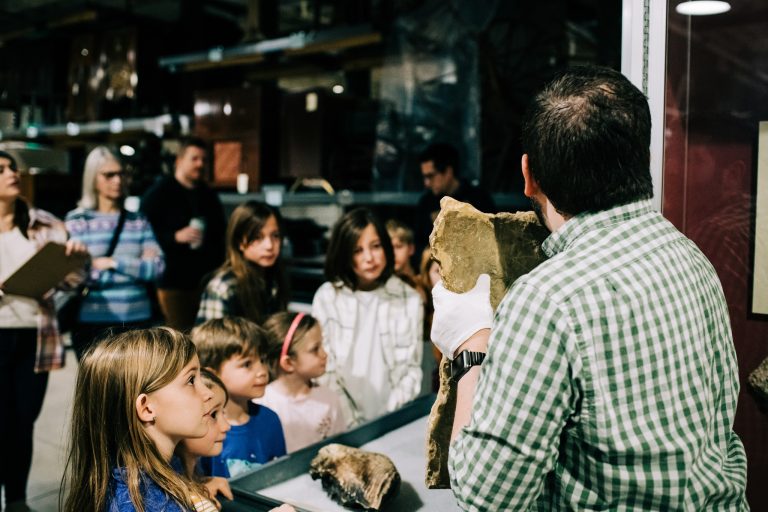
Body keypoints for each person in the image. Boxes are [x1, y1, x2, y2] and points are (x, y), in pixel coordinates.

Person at [430, 66, 748, 510]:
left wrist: (472, 345)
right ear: (642, 156)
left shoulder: (548, 299)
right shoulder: (692, 257)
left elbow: (488, 497)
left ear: (529, 176)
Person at [0, 150, 88, 511]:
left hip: (35, 336)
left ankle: (17, 500)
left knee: (23, 421)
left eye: (12, 167)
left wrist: (75, 258)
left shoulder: (44, 223)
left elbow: (72, 281)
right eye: (1, 169)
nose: (11, 173)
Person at [60, 327, 215, 512]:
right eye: (191, 380)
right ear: (146, 408)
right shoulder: (143, 505)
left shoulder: (157, 469)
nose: (209, 393)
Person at [312, 208, 423, 427]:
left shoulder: (408, 297)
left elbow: (411, 368)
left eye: (376, 246)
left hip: (392, 417)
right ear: (344, 254)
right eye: (357, 250)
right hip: (340, 419)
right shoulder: (328, 297)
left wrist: (385, 418)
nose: (369, 258)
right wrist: (352, 422)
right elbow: (325, 371)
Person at [65, 146, 165, 359]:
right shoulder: (78, 221)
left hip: (138, 319)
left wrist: (112, 263)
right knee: (99, 391)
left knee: (137, 390)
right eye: (109, 175)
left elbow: (157, 268)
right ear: (93, 178)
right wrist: (136, 266)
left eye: (121, 174)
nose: (117, 180)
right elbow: (76, 275)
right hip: (93, 320)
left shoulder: (138, 221)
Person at [141, 137, 226, 331]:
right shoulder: (159, 193)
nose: (200, 164)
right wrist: (174, 237)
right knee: (181, 337)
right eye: (194, 158)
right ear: (179, 161)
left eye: (204, 160)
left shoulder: (208, 195)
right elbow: (144, 235)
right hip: (173, 282)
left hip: (206, 281)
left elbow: (221, 232)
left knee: (207, 336)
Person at [191, 317, 286, 478]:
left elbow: (282, 474)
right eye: (247, 364)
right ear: (213, 374)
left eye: (262, 360)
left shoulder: (270, 420)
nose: (262, 371)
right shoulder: (202, 431)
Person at [258, 312, 346, 452]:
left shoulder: (329, 399)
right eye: (315, 349)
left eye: (322, 345)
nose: (324, 354)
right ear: (288, 362)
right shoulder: (262, 405)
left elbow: (340, 449)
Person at [196, 201, 288, 325]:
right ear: (239, 242)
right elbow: (210, 343)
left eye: (275, 236)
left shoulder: (272, 280)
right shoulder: (223, 287)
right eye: (257, 237)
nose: (269, 246)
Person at [414, 142, 495, 256]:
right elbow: (419, 245)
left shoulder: (478, 198)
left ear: (448, 172)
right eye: (425, 177)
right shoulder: (426, 203)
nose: (426, 183)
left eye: (431, 176)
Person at [385, 219, 418, 287]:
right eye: (389, 248)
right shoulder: (382, 285)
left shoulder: (425, 282)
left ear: (411, 249)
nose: (393, 253)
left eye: (398, 246)